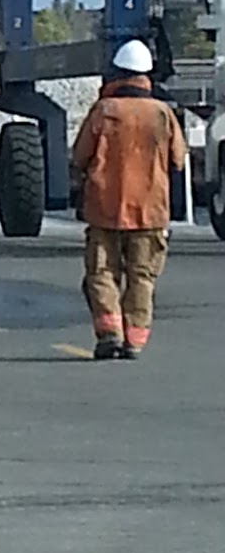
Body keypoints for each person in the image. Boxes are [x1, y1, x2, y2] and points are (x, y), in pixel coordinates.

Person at [71, 38, 187, 360]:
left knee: (102, 272)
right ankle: (135, 339)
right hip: (151, 210)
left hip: (104, 208)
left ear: (116, 73)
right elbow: (178, 159)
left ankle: (109, 332)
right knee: (142, 276)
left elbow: (80, 156)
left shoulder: (104, 110)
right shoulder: (163, 114)